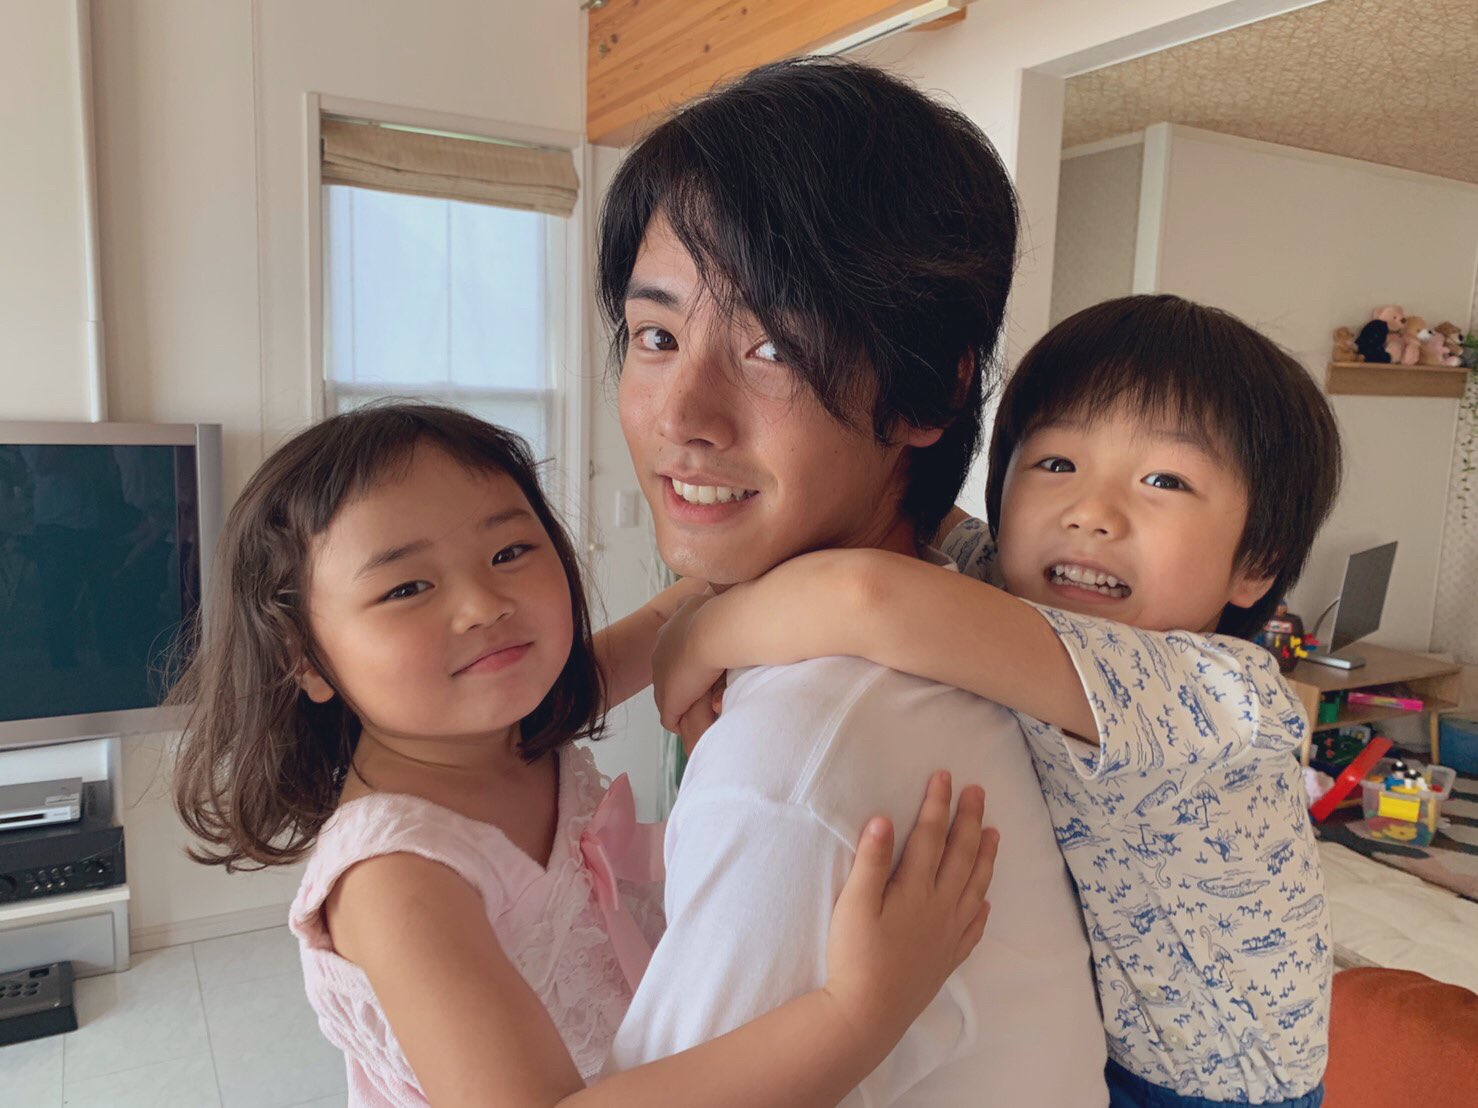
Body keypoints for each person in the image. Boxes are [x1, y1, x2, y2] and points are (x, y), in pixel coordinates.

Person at [169, 403, 1000, 1108]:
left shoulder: (518, 724)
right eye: (407, 588)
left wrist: (843, 539)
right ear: (303, 657)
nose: (483, 604)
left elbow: (684, 611)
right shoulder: (397, 879)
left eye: (509, 552)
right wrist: (859, 1010)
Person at [654, 295, 1342, 1107]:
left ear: (1256, 563)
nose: (1091, 514)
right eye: (1056, 464)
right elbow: (867, 523)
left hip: (1215, 1091)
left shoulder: (1215, 695)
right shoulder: (1010, 589)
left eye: (1164, 480)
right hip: (1107, 1032)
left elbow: (867, 595)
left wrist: (697, 641)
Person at [599, 57, 1106, 1104]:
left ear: (927, 390)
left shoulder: (796, 766)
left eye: (773, 347)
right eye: (656, 335)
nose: (679, 415)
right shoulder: (962, 616)